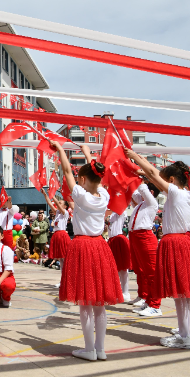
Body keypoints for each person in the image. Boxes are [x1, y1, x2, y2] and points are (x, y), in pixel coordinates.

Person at [125, 150, 190, 350]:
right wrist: (141, 170)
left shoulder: (176, 193)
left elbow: (153, 174)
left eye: (163, 180)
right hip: (185, 243)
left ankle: (186, 336)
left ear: (171, 180)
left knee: (181, 293)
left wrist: (134, 156)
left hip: (176, 243)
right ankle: (186, 333)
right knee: (184, 293)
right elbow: (152, 175)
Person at [54, 141, 122, 362]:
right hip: (100, 246)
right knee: (99, 302)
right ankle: (100, 349)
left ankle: (89, 349)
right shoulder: (104, 197)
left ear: (82, 180)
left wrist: (61, 150)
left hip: (82, 246)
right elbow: (95, 176)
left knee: (85, 301)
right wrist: (87, 153)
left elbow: (67, 171)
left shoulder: (80, 196)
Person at [128, 182, 162, 315]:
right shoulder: (142, 204)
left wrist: (141, 178)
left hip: (145, 237)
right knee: (144, 272)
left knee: (152, 272)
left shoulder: (152, 203)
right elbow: (133, 192)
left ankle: (156, 305)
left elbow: (141, 188)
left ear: (150, 192)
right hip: (136, 237)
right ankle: (148, 301)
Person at [42, 188, 72, 288]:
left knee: (65, 259)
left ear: (65, 206)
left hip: (62, 236)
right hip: (57, 235)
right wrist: (45, 194)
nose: (58, 203)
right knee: (61, 260)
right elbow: (50, 203)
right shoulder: (57, 213)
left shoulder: (65, 213)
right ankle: (63, 281)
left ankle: (67, 280)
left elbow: (56, 204)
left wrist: (52, 195)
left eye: (61, 202)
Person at [106, 211, 131, 303]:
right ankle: (117, 291)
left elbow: (123, 213)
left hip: (118, 239)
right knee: (113, 269)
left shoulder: (120, 212)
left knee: (123, 268)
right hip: (111, 240)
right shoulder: (111, 215)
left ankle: (125, 292)